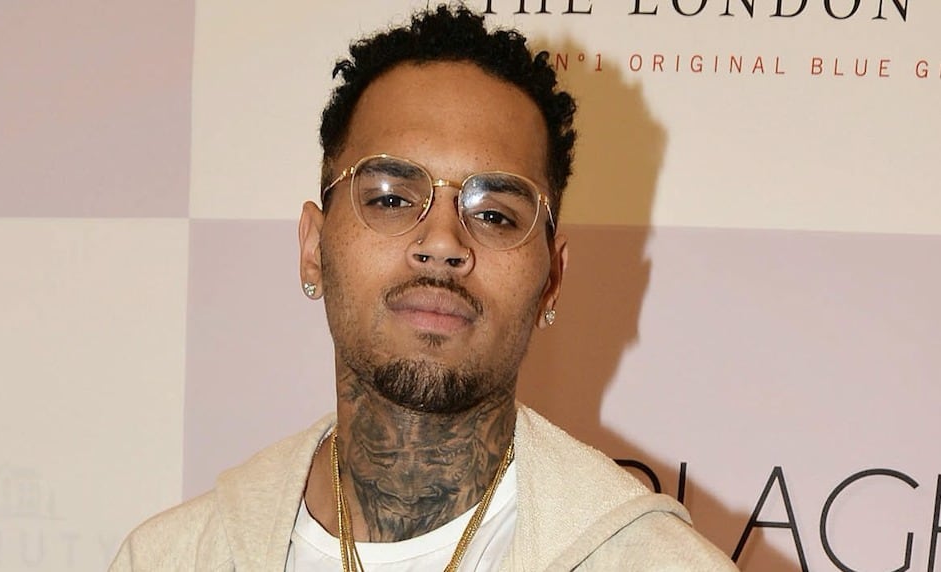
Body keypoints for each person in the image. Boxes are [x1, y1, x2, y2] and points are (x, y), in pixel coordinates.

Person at [110, 4, 738, 570]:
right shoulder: (170, 559)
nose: (442, 242)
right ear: (313, 248)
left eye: (495, 214)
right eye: (391, 198)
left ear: (551, 279)